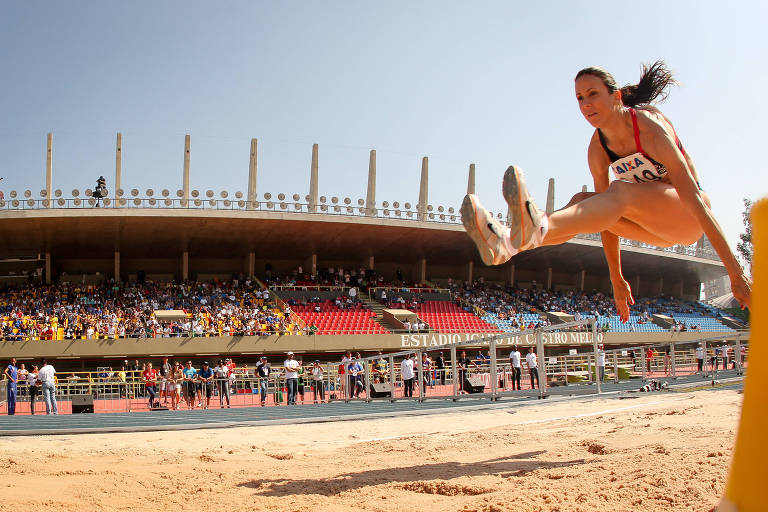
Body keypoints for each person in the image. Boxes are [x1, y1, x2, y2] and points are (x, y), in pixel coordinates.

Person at [461, 61, 751, 322]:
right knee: (583, 202)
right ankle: (509, 246)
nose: (586, 103)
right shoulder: (598, 149)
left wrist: (735, 272)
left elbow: (696, 202)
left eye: (592, 93)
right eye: (579, 98)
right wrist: (616, 277)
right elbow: (604, 219)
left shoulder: (649, 128)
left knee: (619, 190)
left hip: (688, 218)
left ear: (616, 96)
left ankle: (530, 229)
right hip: (649, 225)